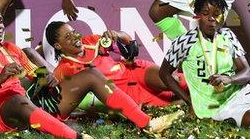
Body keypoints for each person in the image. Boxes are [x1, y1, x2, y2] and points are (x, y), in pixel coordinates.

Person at [0, 2, 182, 138]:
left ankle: (147, 123)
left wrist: (46, 80)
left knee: (92, 74)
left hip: (36, 104)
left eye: (0, 21)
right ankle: (76, 137)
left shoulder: (10, 49)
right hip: (3, 115)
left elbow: (36, 72)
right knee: (15, 99)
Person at [160, 0, 250, 127]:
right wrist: (189, 101)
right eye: (206, 13)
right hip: (215, 107)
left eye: (216, 14)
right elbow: (164, 73)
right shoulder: (185, 41)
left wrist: (229, 79)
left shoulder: (227, 35)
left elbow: (247, 73)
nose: (211, 18)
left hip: (241, 91)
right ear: (197, 14)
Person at [45, 22, 184, 107]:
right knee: (169, 104)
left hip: (134, 71)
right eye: (68, 37)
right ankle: (198, 104)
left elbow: (131, 49)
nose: (75, 38)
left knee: (176, 82)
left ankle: (201, 82)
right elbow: (57, 96)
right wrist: (43, 78)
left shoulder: (92, 40)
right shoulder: (64, 69)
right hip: (125, 92)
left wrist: (117, 34)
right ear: (58, 45)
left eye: (74, 32)